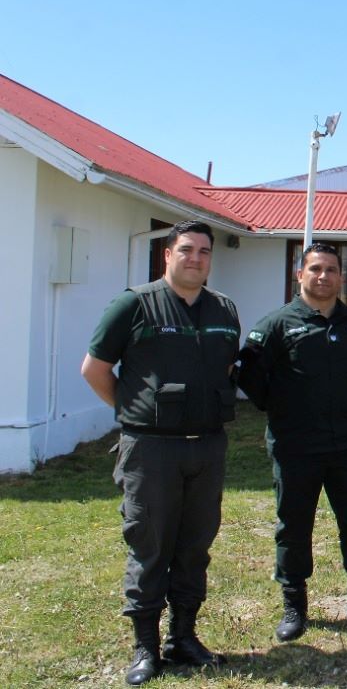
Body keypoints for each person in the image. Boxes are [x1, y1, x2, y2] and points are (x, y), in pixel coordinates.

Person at [81, 220, 241, 686]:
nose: (196, 258)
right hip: (151, 450)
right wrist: (135, 412)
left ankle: (183, 638)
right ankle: (145, 649)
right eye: (186, 250)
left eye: (204, 252)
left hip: (207, 447)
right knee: (149, 545)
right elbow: (95, 369)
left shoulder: (223, 310)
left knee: (195, 546)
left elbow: (228, 365)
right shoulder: (133, 305)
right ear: (167, 255)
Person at [236, 242, 347, 642]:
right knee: (294, 527)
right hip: (296, 447)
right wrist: (283, 410)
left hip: (346, 444)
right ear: (300, 275)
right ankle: (295, 605)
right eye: (315, 269)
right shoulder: (276, 325)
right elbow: (251, 378)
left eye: (331, 269)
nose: (323, 276)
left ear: (341, 277)